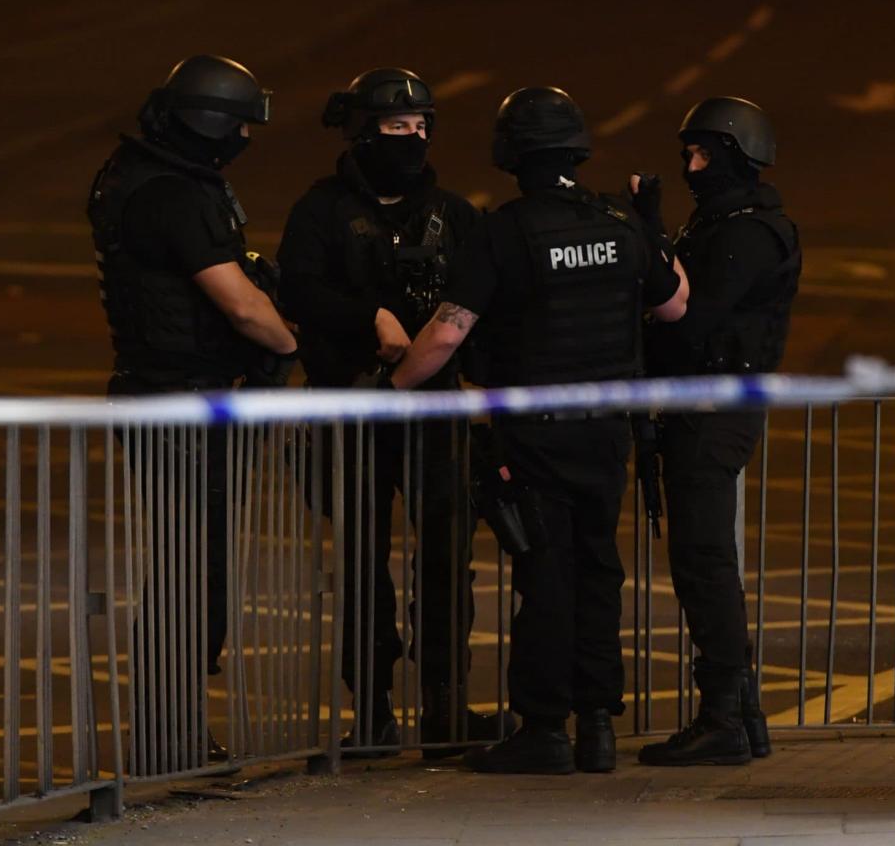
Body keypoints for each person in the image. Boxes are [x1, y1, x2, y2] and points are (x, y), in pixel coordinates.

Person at [391, 86, 688, 775]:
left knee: (545, 575)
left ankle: (545, 728)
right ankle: (598, 728)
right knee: (597, 572)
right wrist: (651, 226)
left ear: (509, 156)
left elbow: (445, 335)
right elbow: (673, 305)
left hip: (538, 435)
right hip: (608, 432)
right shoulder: (617, 221)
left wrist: (391, 390)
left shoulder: (506, 233)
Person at [277, 67, 497, 752]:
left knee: (444, 565)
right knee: (362, 564)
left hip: (436, 416)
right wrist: (366, 316)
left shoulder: (455, 215)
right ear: (360, 130)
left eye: (421, 124)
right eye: (396, 126)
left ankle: (445, 708)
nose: (413, 136)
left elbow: (484, 309)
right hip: (352, 411)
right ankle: (369, 713)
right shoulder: (320, 212)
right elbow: (300, 296)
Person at [88, 54, 297, 768]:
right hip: (177, 399)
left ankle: (172, 730)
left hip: (168, 395)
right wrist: (285, 339)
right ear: (210, 123)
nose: (243, 137)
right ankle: (168, 733)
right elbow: (239, 302)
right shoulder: (171, 195)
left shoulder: (141, 176)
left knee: (191, 565)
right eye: (238, 124)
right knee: (189, 570)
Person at [635, 96, 801, 767]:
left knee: (704, 561)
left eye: (702, 154)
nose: (689, 166)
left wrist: (648, 233)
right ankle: (745, 714)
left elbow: (695, 318)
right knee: (703, 559)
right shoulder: (721, 222)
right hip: (699, 406)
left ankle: (723, 718)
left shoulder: (749, 232)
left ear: (734, 155)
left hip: (716, 409)